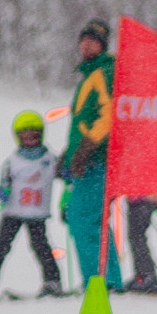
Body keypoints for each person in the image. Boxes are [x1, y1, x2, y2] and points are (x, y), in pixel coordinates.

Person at [60, 18, 123, 291]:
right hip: (91, 158)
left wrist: (86, 149)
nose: (87, 45)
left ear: (103, 45)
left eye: (93, 41)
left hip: (97, 159)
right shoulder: (90, 74)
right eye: (84, 40)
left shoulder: (105, 72)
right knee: (91, 219)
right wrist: (69, 152)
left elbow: (108, 116)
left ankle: (99, 280)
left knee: (83, 218)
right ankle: (106, 278)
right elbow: (84, 120)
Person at [0, 110, 65, 298]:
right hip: (13, 212)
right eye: (26, 135)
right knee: (1, 245)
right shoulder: (12, 162)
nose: (30, 139)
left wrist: (68, 173)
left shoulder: (49, 160)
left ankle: (53, 281)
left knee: (41, 246)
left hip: (37, 213)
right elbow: (2, 184)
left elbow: (64, 175)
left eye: (34, 135)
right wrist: (3, 192)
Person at [123, 197, 157, 294]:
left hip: (141, 197)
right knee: (136, 237)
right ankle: (142, 275)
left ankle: (146, 276)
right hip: (142, 197)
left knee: (137, 237)